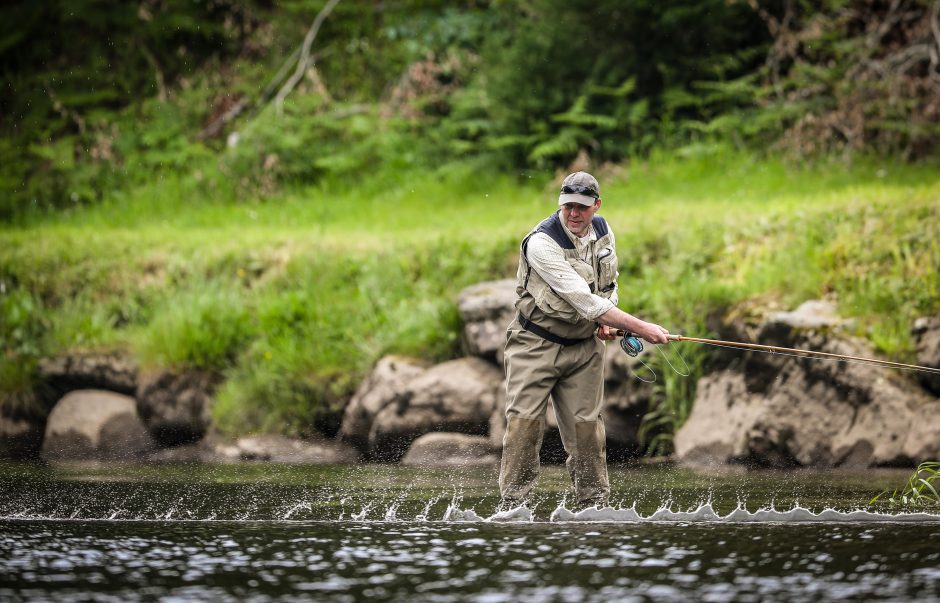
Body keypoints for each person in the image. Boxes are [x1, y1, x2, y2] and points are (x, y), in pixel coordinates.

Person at [498, 171, 670, 510]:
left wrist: (609, 319)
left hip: (584, 347)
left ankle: (594, 506)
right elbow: (584, 300)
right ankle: (514, 508)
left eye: (582, 207)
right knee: (524, 427)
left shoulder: (604, 231)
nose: (574, 214)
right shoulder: (541, 243)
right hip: (534, 343)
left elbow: (608, 287)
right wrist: (641, 327)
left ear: (596, 206)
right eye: (568, 206)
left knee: (587, 431)